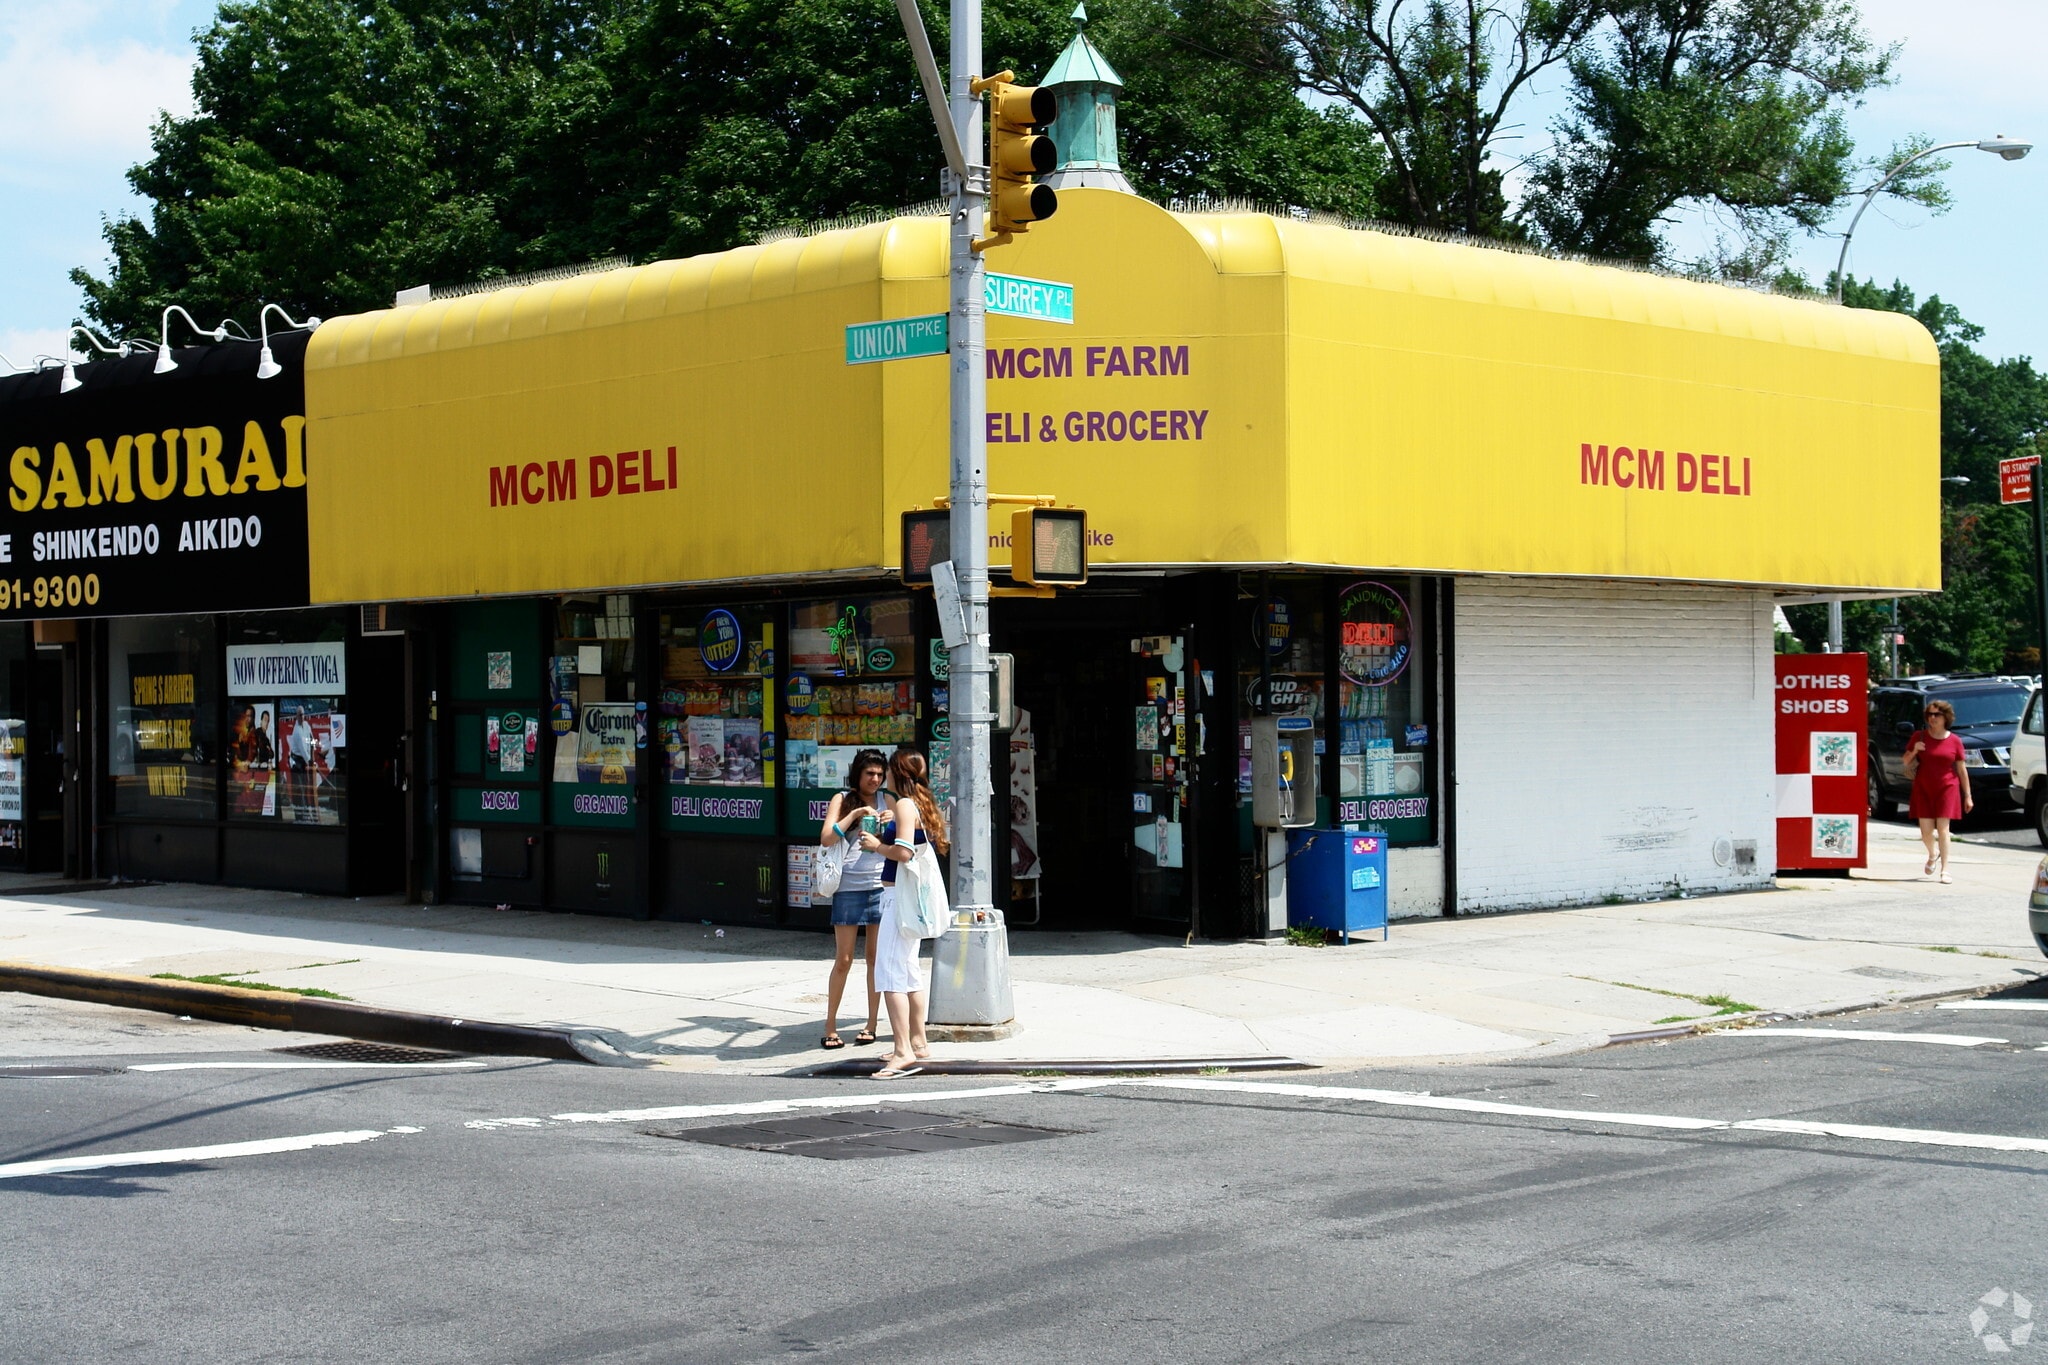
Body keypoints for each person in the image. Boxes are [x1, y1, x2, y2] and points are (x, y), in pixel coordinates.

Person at [864, 744, 950, 1079]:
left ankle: (902, 1051)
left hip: (897, 900)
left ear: (896, 773)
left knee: (889, 974)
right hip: (908, 900)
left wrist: (876, 845)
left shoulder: (902, 803)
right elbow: (911, 842)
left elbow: (902, 853)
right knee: (909, 973)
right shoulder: (918, 803)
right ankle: (918, 1042)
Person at [817, 748, 890, 1049]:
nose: (875, 779)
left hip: (881, 885)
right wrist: (855, 814)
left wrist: (891, 823)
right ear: (857, 774)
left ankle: (871, 1024)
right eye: (869, 773)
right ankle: (830, 1026)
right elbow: (826, 838)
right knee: (844, 959)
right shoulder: (842, 799)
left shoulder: (890, 801)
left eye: (879, 774)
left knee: (875, 959)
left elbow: (902, 841)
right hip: (848, 885)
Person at [1905, 698, 1972, 883]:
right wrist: (1915, 751)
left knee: (1943, 829)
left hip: (1947, 787)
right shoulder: (1919, 736)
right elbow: (1905, 761)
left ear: (1946, 717)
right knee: (1926, 831)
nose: (1932, 718)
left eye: (1936, 714)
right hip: (1923, 787)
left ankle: (1945, 870)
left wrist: (1968, 795)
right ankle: (1932, 853)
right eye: (1929, 715)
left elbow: (1961, 769)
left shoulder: (1955, 741)